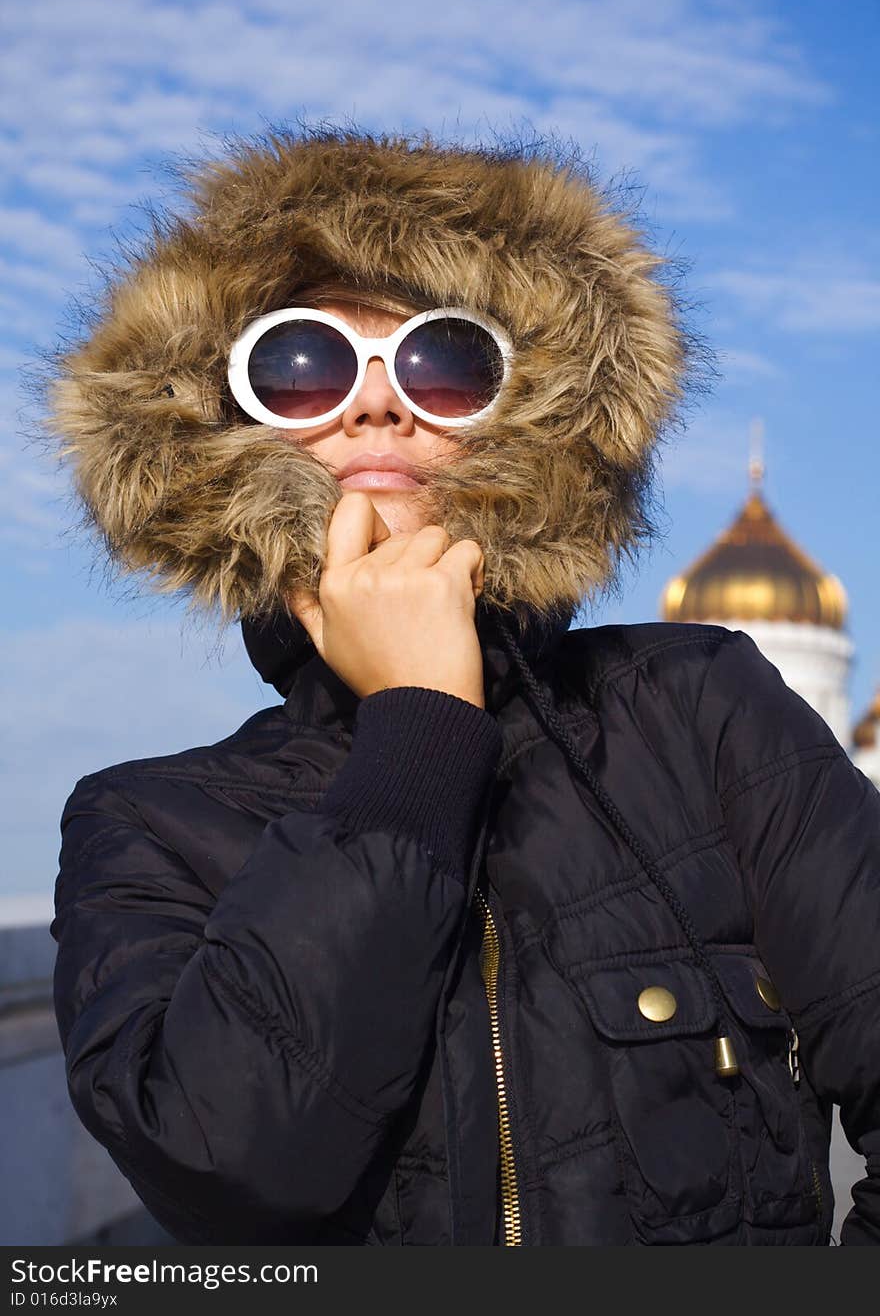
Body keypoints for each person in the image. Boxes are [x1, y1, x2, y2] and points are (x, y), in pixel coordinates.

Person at [39, 122, 880, 1246]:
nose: (380, 406)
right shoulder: (148, 822)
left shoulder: (697, 711)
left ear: (528, 419)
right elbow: (227, 1169)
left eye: (447, 363)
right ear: (215, 427)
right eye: (301, 365)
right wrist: (417, 733)